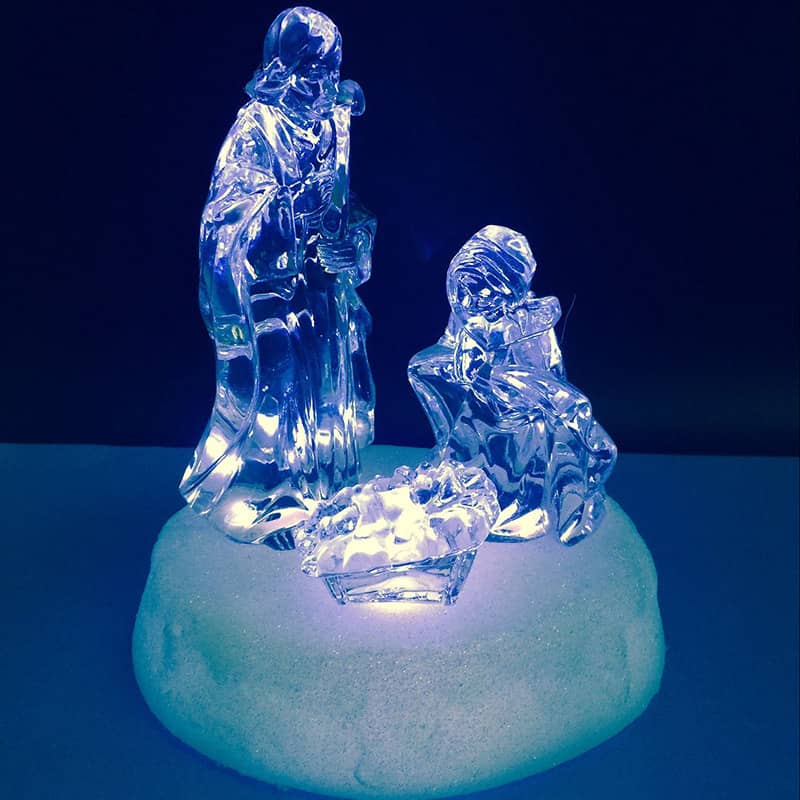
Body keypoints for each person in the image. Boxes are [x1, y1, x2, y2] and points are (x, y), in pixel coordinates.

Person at [180, 7, 376, 548]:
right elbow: (227, 219)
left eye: (332, 72)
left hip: (320, 292)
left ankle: (324, 494)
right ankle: (266, 504)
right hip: (268, 297)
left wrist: (350, 242)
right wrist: (295, 211)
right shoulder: (256, 130)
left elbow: (349, 209)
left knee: (328, 393)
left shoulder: (331, 126)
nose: (325, 86)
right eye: (314, 71)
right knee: (276, 395)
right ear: (283, 68)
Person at [409, 225, 615, 543]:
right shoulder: (465, 316)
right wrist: (460, 361)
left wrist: (491, 374)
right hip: (475, 407)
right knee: (423, 369)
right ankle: (457, 477)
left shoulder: (530, 323)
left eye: (481, 292)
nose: (467, 300)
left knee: (516, 447)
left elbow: (545, 377)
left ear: (508, 290)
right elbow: (447, 349)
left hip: (517, 415)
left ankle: (519, 508)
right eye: (460, 289)